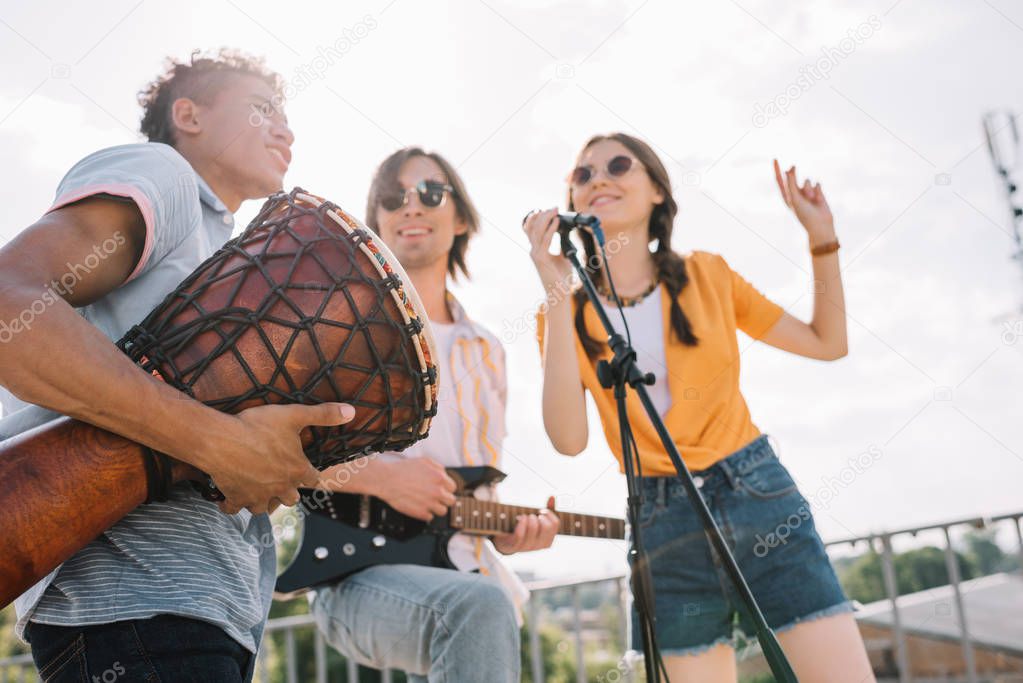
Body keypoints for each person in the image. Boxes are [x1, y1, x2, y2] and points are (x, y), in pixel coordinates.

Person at [0, 49, 355, 682]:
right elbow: (10, 308)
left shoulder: (231, 254)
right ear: (187, 115)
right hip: (131, 614)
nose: (286, 129)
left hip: (199, 616)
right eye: (261, 108)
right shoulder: (161, 173)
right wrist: (219, 443)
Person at [524, 132, 874, 682]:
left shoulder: (708, 275)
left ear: (658, 192)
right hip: (662, 525)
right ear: (572, 201)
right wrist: (554, 289)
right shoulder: (562, 312)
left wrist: (822, 241)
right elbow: (568, 440)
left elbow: (827, 342)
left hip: (758, 495)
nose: (599, 179)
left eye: (618, 165)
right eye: (582, 174)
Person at [310, 147, 559, 683]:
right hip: (357, 577)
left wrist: (508, 532)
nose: (411, 207)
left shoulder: (487, 351)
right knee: (482, 608)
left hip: (467, 572)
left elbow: (477, 484)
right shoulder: (340, 330)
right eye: (393, 197)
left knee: (484, 604)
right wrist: (385, 477)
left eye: (430, 193)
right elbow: (275, 452)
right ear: (375, 219)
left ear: (462, 216)